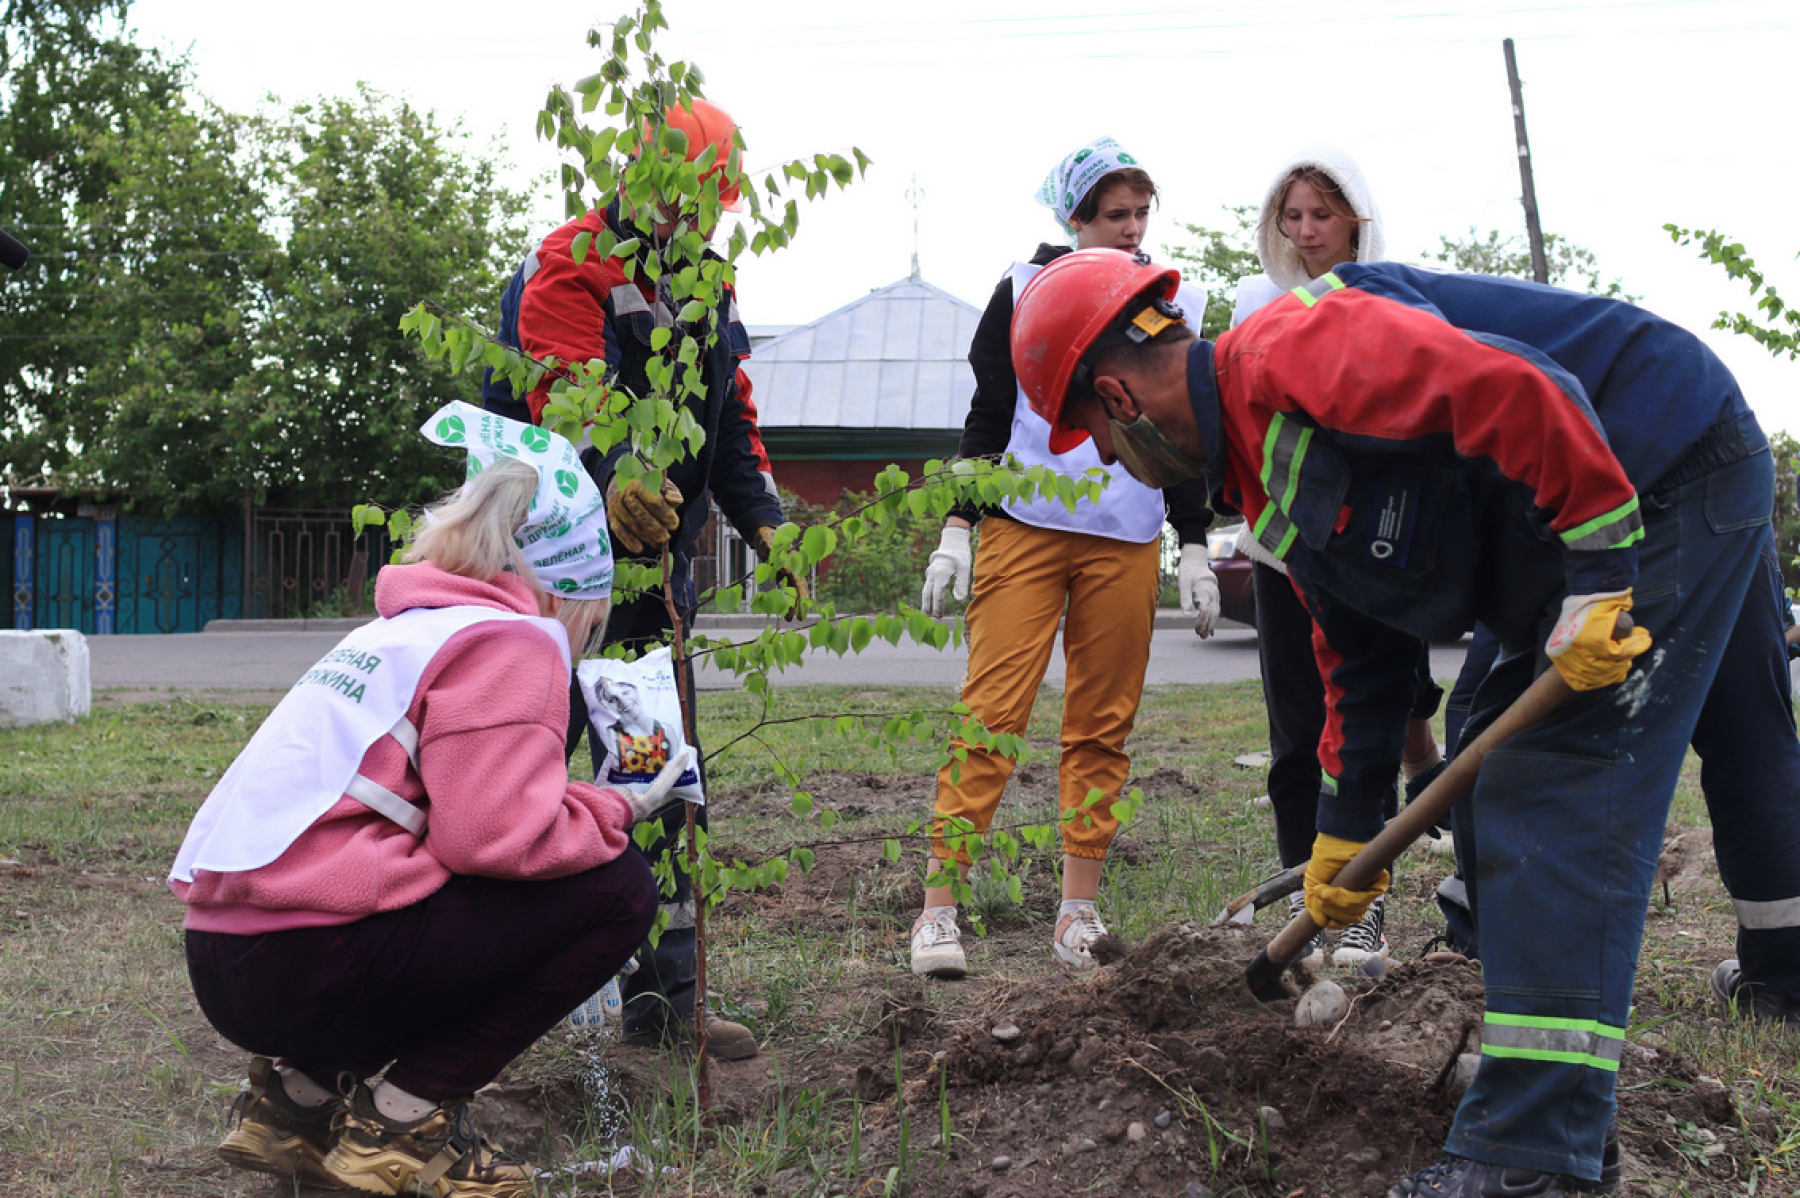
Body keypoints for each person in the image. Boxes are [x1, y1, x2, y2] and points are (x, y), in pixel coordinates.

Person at [1009, 249, 1797, 1194]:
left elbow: (1515, 388)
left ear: (1117, 396)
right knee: (1511, 760)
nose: (1101, 453)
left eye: (1091, 430)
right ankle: (1559, 1099)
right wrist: (1343, 840)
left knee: (1547, 789)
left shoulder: (1295, 350)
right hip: (1618, 492)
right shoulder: (1261, 472)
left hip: (1657, 469)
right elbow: (1364, 654)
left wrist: (1597, 568)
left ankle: (1530, 1157)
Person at [172, 403, 659, 1197]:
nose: (582, 643)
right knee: (616, 892)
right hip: (304, 962)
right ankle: (403, 1121)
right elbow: (491, 842)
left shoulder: (403, 628)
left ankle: (295, 1104)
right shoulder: (516, 641)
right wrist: (615, 810)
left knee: (427, 896)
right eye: (591, 623)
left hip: (225, 959)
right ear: (566, 595)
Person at [481, 98, 787, 1060]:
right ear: (636, 179)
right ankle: (461, 981)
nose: (691, 221)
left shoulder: (709, 284)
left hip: (654, 573)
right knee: (513, 761)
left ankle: (670, 997)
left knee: (657, 767)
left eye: (708, 205)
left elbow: (730, 416)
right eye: (678, 199)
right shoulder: (567, 263)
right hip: (542, 571)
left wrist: (768, 522)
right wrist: (613, 483)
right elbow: (569, 393)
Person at [909, 137, 1216, 978]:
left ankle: (1077, 910)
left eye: (1141, 214)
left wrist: (1194, 545)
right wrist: (957, 531)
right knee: (993, 714)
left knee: (1101, 726)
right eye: (1114, 216)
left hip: (1126, 533)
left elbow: (1184, 425)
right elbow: (987, 414)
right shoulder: (1022, 287)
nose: (1130, 230)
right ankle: (940, 910)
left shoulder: (1161, 300)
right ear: (1073, 218)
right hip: (1025, 524)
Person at [1228, 148, 1444, 968]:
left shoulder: (1387, 300)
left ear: (1354, 217)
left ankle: (1366, 898)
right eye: (1293, 216)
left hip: (1375, 547)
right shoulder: (1258, 304)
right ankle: (1307, 883)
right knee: (1296, 731)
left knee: (1371, 722)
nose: (1308, 230)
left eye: (1322, 214)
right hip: (1285, 547)